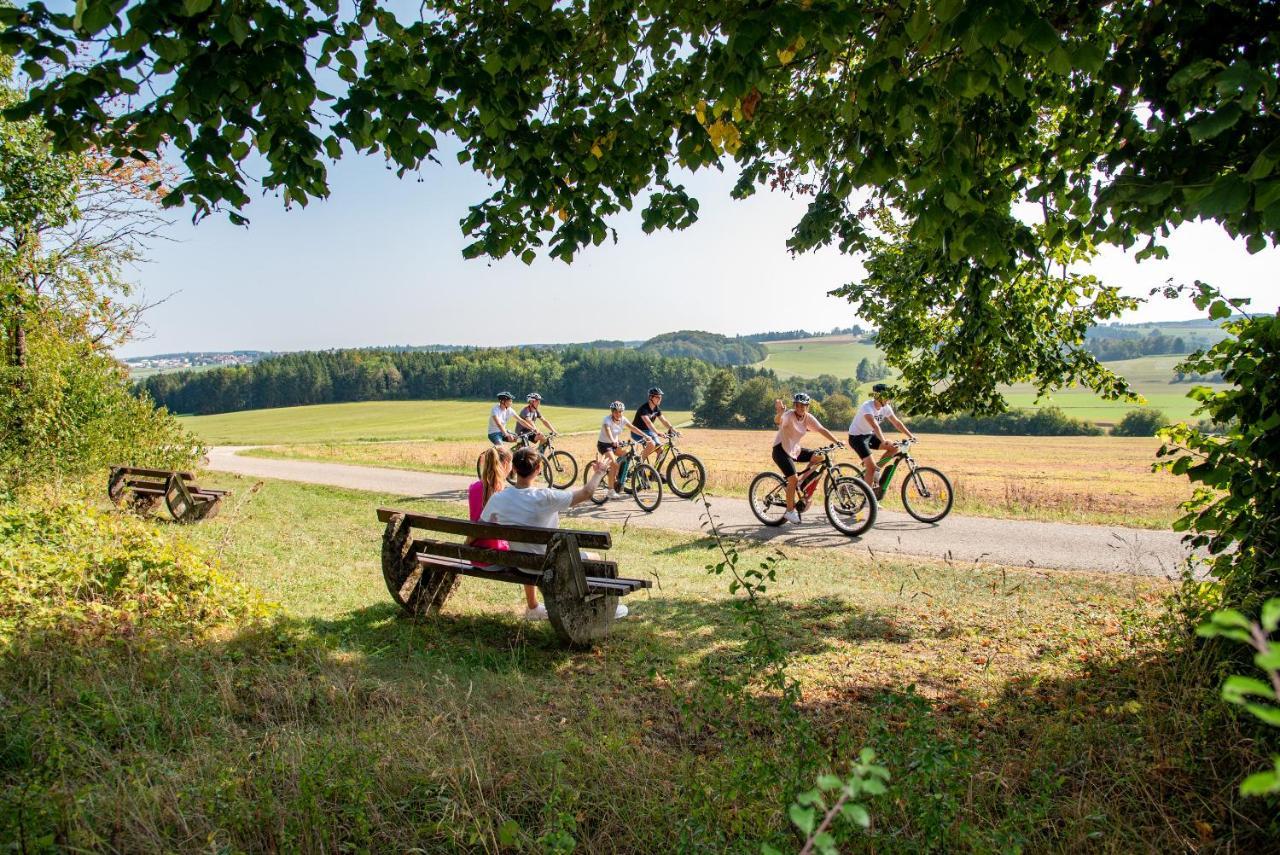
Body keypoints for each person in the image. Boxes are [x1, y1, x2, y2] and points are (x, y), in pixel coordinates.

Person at [479, 447, 628, 619]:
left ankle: (533, 608)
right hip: (551, 565)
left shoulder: (498, 498)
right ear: (538, 469)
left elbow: (482, 526)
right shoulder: (546, 497)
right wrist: (599, 472)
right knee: (593, 557)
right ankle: (608, 606)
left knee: (531, 549)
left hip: (521, 564)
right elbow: (587, 493)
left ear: (513, 468)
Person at [469, 445, 547, 621]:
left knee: (522, 553)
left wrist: (465, 545)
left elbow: (477, 526)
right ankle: (533, 606)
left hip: (474, 556)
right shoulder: (502, 493)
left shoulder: (473, 487)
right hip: (495, 559)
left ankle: (534, 606)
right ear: (505, 464)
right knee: (525, 554)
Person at [772, 392, 844, 524]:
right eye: (797, 405)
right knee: (792, 479)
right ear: (794, 405)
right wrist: (780, 412)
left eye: (803, 406)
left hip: (795, 449)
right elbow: (778, 420)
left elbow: (821, 429)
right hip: (780, 450)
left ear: (807, 407)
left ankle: (802, 482)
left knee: (820, 457)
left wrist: (837, 441)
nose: (800, 408)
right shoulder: (788, 415)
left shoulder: (808, 418)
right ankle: (789, 511)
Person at [848, 383, 916, 497]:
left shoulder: (886, 408)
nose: (889, 399)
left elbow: (897, 423)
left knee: (894, 448)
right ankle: (868, 500)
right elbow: (875, 426)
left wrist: (911, 436)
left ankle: (876, 470)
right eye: (886, 397)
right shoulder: (867, 407)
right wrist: (883, 440)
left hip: (868, 435)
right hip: (857, 437)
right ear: (878, 396)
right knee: (870, 467)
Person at [597, 401, 647, 500]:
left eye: (620, 412)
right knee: (614, 464)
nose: (618, 414)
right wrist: (612, 440)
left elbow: (632, 428)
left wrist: (646, 436)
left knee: (628, 454)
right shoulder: (607, 420)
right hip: (604, 445)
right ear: (612, 412)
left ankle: (618, 476)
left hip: (615, 444)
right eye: (616, 412)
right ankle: (610, 491)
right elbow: (608, 431)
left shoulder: (623, 419)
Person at [631, 387, 678, 462]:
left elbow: (664, 421)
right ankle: (640, 464)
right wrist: (658, 432)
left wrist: (673, 429)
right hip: (637, 432)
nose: (660, 399)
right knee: (651, 444)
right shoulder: (643, 409)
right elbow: (648, 423)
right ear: (650, 397)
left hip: (649, 432)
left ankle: (654, 473)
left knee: (661, 451)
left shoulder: (656, 409)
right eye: (657, 397)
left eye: (660, 397)